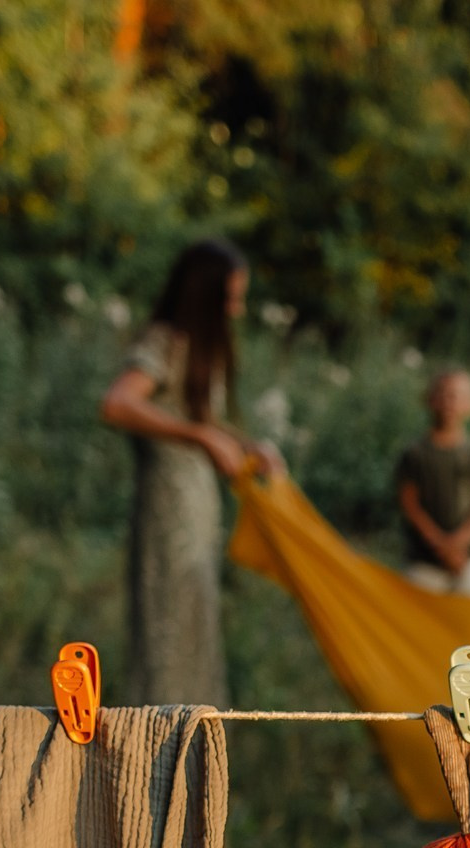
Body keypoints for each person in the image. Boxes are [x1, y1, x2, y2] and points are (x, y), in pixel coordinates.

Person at [99, 237, 284, 706]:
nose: (237, 310)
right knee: (170, 618)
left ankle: (194, 737)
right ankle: (161, 734)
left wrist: (245, 444)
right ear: (204, 295)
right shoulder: (162, 341)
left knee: (196, 617)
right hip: (168, 503)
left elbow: (198, 415)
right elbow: (118, 403)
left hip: (198, 501)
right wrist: (200, 438)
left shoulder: (199, 348)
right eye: (230, 297)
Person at [394, 368, 470, 598]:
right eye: (442, 395)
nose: (448, 403)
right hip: (424, 561)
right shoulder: (414, 453)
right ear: (429, 400)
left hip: (469, 560)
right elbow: (409, 503)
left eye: (456, 396)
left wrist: (458, 545)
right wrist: (440, 545)